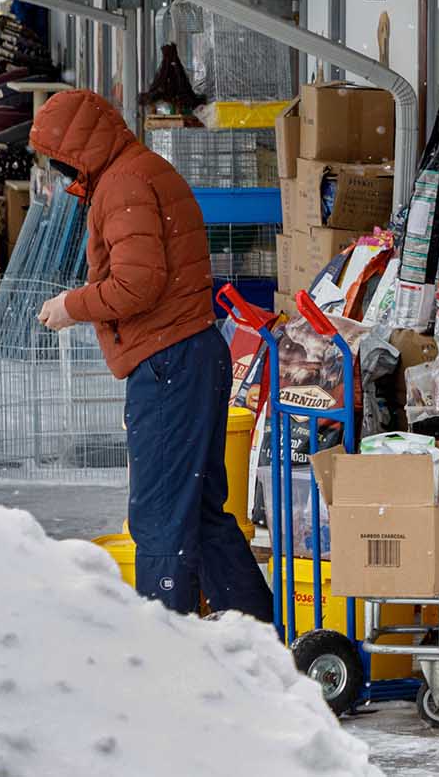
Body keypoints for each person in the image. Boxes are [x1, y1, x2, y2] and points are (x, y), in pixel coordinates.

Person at [30, 89, 272, 621]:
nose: (61, 172)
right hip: (191, 353)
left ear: (78, 148)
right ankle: (258, 639)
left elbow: (138, 284)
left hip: (168, 362)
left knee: (161, 517)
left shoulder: (123, 185)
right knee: (202, 512)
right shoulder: (140, 171)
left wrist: (72, 305)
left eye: (60, 158)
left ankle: (168, 651)